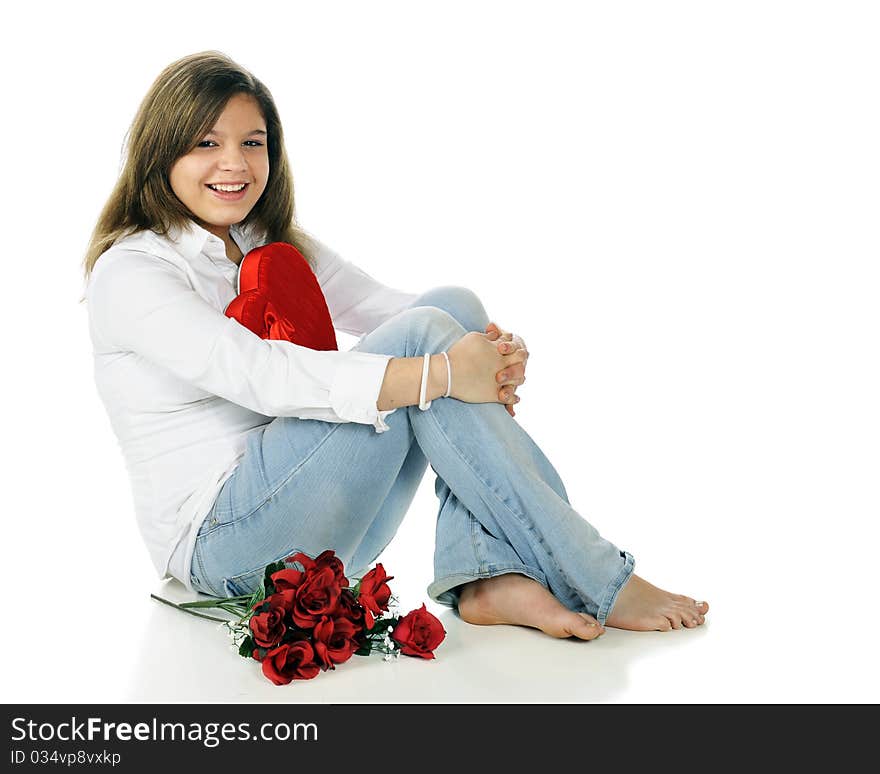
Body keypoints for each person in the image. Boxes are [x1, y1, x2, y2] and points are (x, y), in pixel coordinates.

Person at [81, 50, 708, 640]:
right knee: (430, 343)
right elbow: (261, 375)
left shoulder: (263, 240)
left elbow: (394, 309)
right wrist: (444, 371)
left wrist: (489, 353)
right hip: (225, 549)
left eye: (253, 143)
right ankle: (593, 572)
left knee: (450, 307)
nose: (236, 164)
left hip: (321, 520)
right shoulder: (133, 273)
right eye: (206, 145)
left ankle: (488, 576)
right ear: (160, 154)